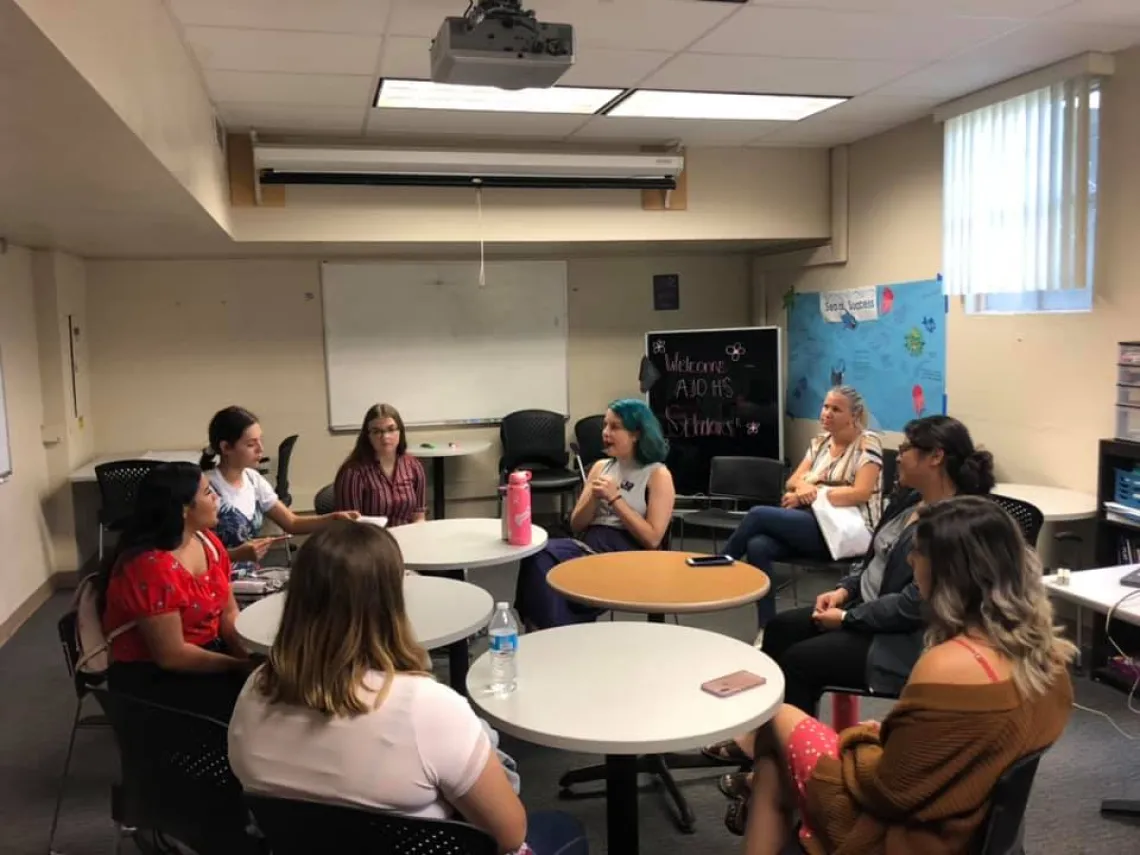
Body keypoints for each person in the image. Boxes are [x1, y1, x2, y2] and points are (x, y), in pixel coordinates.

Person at [733, 495, 1074, 855]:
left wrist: (858, 740)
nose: (911, 561)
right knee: (774, 763)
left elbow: (887, 791)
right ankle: (762, 787)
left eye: (918, 553)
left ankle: (759, 787)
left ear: (949, 571)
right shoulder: (1051, 660)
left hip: (902, 835)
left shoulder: (946, 663)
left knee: (779, 718)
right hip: (966, 824)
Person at [227, 521, 589, 855]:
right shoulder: (426, 708)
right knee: (560, 829)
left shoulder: (255, 692)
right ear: (389, 602)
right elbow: (509, 834)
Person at [704, 415, 994, 765]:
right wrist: (843, 591)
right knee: (781, 630)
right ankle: (765, 741)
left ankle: (788, 765)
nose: (897, 455)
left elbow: (911, 607)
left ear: (935, 457)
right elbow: (872, 558)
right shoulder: (908, 501)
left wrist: (847, 618)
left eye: (906, 448)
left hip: (900, 640)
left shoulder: (952, 524)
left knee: (798, 663)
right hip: (864, 612)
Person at [721, 386, 883, 635]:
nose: (827, 413)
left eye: (836, 409)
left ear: (854, 415)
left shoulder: (868, 443)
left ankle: (720, 568)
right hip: (812, 524)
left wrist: (812, 493)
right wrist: (804, 488)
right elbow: (792, 481)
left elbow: (860, 493)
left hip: (848, 533)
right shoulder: (820, 443)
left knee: (757, 515)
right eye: (825, 406)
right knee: (757, 545)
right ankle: (766, 628)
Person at [99, 462, 254, 721]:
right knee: (255, 710)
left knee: (269, 691)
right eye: (207, 493)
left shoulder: (207, 541)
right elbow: (172, 656)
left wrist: (246, 656)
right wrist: (239, 667)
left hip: (207, 654)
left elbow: (228, 613)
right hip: (153, 676)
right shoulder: (150, 567)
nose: (216, 498)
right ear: (183, 509)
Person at [513, 399, 675, 630]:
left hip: (627, 555)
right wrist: (593, 496)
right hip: (588, 547)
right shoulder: (602, 467)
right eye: (605, 426)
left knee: (555, 576)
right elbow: (576, 524)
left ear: (636, 433)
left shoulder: (658, 475)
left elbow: (652, 539)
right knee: (537, 554)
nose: (606, 433)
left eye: (615, 427)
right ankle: (548, 628)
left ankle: (553, 633)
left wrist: (615, 498)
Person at [200, 406, 358, 564]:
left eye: (260, 441)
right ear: (226, 447)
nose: (260, 449)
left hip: (251, 580)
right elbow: (195, 556)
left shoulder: (253, 479)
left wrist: (333, 519)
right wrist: (235, 555)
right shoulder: (206, 488)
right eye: (250, 444)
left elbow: (292, 523)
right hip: (218, 580)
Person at [333, 403, 427, 526]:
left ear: (400, 432)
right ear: (368, 436)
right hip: (370, 541)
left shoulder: (413, 466)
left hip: (407, 538)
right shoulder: (353, 472)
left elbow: (419, 518)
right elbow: (350, 527)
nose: (385, 437)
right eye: (377, 431)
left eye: (391, 429)